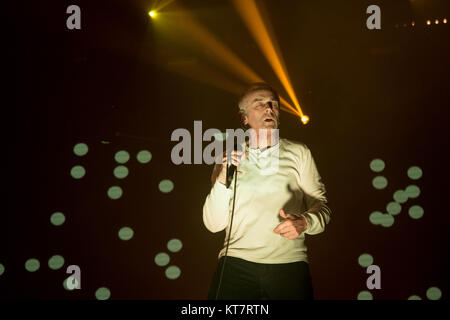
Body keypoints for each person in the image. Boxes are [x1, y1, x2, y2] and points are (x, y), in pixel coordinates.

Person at [202, 82, 331, 300]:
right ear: (244, 118)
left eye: (273, 104)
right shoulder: (228, 158)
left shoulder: (299, 153)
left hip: (288, 263)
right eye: (259, 104)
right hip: (236, 263)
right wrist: (223, 176)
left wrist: (305, 222)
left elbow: (323, 207)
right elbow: (213, 224)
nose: (269, 108)